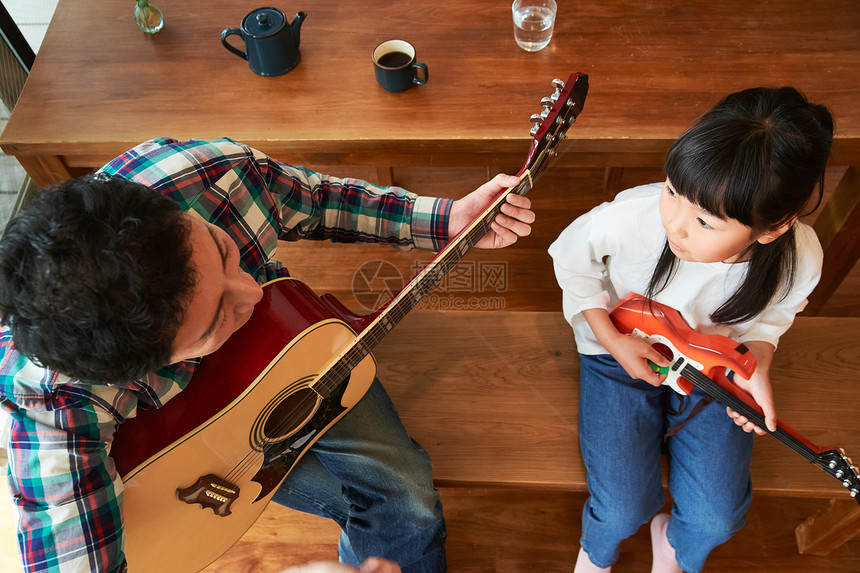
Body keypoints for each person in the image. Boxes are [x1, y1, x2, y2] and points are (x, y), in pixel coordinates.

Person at [0, 137, 535, 573]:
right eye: (217, 320)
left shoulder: (204, 176)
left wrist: (443, 220)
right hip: (195, 441)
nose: (253, 293)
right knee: (376, 506)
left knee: (405, 501)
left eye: (226, 253)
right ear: (140, 366)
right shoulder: (50, 407)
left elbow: (320, 199)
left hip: (294, 352)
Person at [548, 87, 833, 573]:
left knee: (717, 517)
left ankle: (675, 548)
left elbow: (774, 315)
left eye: (704, 221)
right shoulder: (630, 219)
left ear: (772, 228)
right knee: (620, 507)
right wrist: (612, 340)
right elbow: (572, 263)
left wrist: (758, 360)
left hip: (715, 366)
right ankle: (596, 553)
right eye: (672, 191)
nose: (675, 226)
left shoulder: (800, 257)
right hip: (619, 350)